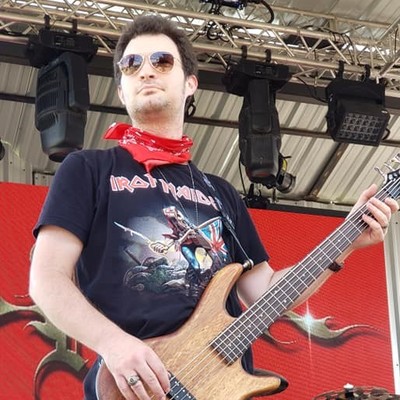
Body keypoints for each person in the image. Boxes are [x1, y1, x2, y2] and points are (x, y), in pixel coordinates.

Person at [29, 14, 399, 400]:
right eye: (131, 64)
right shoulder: (88, 169)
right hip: (137, 386)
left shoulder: (220, 193)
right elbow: (47, 278)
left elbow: (264, 293)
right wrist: (114, 344)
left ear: (190, 83)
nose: (146, 71)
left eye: (162, 61)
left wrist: (347, 239)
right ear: (121, 90)